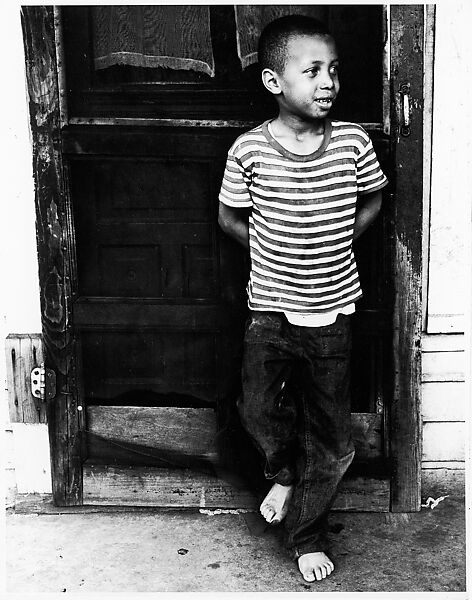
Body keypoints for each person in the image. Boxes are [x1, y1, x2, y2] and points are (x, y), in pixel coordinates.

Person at [218, 14, 388, 583]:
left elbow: (372, 204)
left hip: (333, 311)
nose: (328, 82)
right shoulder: (250, 150)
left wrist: (337, 238)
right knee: (258, 408)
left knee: (332, 436)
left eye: (334, 71)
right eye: (312, 70)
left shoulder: (352, 143)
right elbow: (229, 217)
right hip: (269, 309)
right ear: (274, 82)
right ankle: (283, 471)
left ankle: (307, 534)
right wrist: (271, 247)